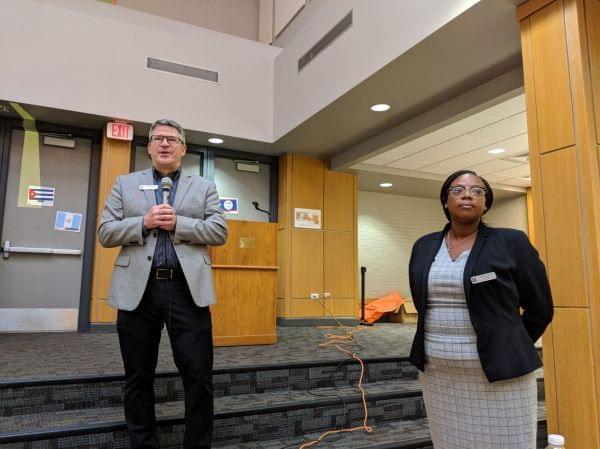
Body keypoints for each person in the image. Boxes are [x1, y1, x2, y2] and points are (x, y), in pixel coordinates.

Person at [98, 119, 227, 449]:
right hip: (138, 292)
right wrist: (143, 222)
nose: (165, 144)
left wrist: (180, 224)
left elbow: (219, 231)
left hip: (186, 290)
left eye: (172, 139)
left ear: (183, 148)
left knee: (198, 375)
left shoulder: (204, 186)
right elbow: (105, 232)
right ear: (149, 147)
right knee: (138, 376)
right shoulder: (125, 184)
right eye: (158, 139)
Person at [408, 169, 553, 449]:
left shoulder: (511, 242)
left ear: (486, 204)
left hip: (500, 375)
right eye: (458, 190)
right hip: (439, 372)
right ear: (445, 201)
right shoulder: (424, 246)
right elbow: (422, 300)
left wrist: (508, 345)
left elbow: (540, 307)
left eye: (477, 191)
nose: (467, 195)